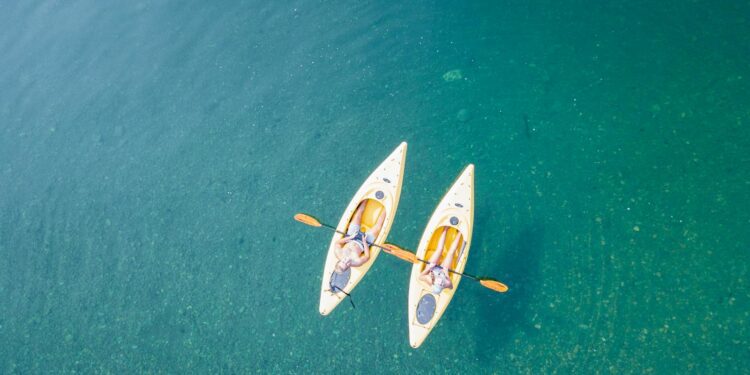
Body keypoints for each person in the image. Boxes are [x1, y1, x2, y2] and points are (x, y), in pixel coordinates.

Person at [333, 200, 386, 274]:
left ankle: (366, 199)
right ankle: (386, 209)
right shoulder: (357, 262)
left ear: (339, 260)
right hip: (362, 243)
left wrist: (350, 237)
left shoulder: (338, 253)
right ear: (348, 267)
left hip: (351, 238)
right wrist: (364, 242)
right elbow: (367, 256)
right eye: (346, 264)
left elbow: (337, 242)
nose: (346, 261)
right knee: (378, 226)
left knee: (358, 214)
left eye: (343, 261)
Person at [419, 226, 461, 294]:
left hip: (432, 268)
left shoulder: (429, 280)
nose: (441, 283)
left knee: (440, 249)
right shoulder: (446, 283)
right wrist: (446, 273)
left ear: (434, 283)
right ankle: (460, 233)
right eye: (441, 285)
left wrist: (429, 268)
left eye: (439, 284)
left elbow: (420, 277)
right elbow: (451, 287)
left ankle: (445, 229)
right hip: (443, 271)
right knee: (451, 253)